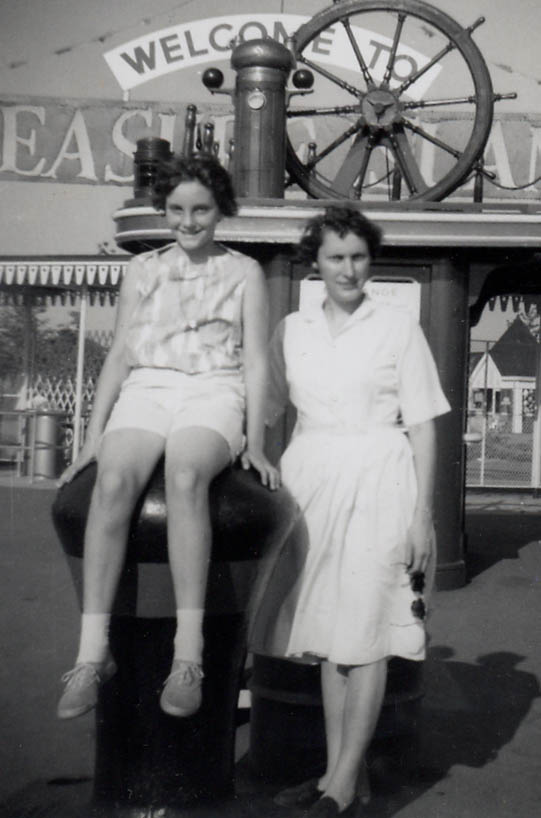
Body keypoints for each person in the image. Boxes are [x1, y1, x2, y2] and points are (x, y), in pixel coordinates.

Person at [56, 153, 279, 721]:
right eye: (177, 209)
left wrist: (254, 440)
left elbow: (254, 362)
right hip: (149, 388)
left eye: (200, 209)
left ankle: (188, 654)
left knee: (184, 476)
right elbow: (120, 357)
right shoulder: (143, 269)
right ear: (165, 211)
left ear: (220, 210)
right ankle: (90, 655)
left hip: (213, 389)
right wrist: (92, 437)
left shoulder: (245, 273)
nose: (188, 221)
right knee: (112, 482)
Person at [249, 206, 450, 817]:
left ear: (371, 261)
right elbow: (265, 403)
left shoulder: (397, 329)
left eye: (359, 256)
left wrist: (422, 518)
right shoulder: (292, 331)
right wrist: (247, 445)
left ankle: (337, 786)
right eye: (336, 257)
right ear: (316, 261)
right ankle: (344, 777)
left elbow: (422, 427)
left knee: (364, 634)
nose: (348, 269)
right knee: (331, 635)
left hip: (381, 483)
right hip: (311, 486)